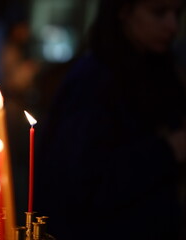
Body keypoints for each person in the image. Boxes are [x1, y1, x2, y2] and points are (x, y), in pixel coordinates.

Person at [34, 0, 186, 239]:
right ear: (124, 11)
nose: (173, 26)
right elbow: (81, 182)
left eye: (178, 13)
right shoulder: (93, 79)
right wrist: (168, 149)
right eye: (159, 12)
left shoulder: (157, 69)